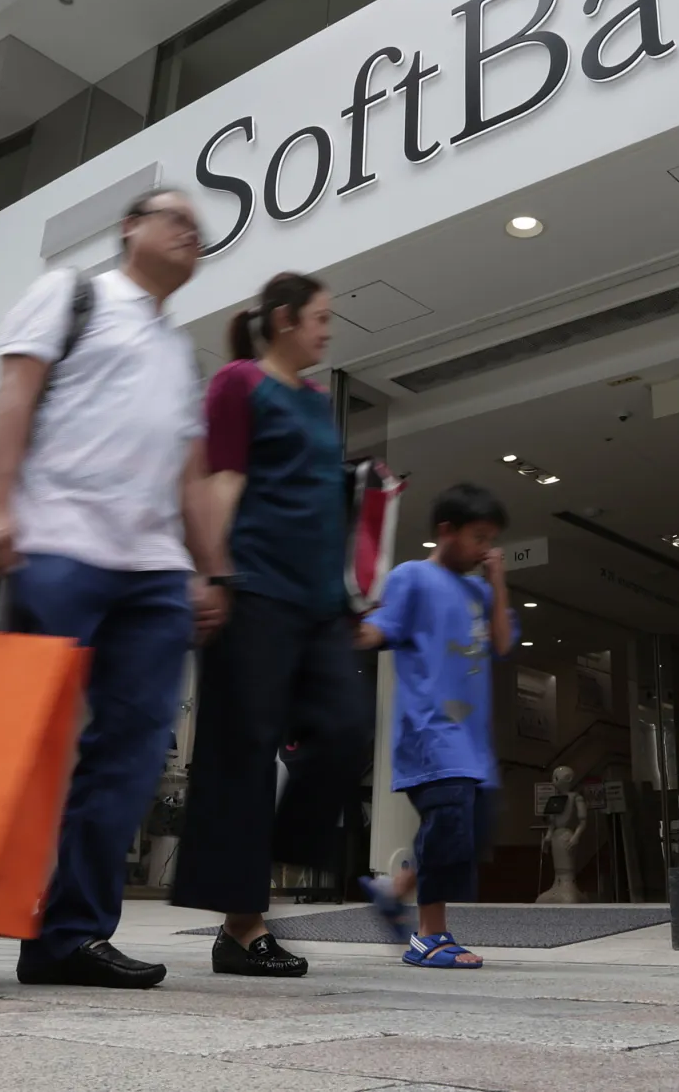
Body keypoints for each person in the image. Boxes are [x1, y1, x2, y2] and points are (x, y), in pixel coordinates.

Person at [0, 188, 227, 988]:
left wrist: (210, 569)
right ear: (131, 225)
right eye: (175, 218)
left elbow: (192, 472)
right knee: (9, 737)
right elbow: (15, 395)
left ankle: (70, 935)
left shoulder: (181, 354)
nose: (189, 234)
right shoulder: (73, 294)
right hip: (60, 545)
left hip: (153, 574)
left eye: (199, 231)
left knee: (130, 756)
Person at [169, 272, 376, 977]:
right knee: (244, 757)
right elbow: (222, 480)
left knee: (346, 725)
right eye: (320, 317)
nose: (328, 329)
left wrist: (349, 594)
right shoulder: (237, 383)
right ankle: (243, 925)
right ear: (284, 320)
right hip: (253, 589)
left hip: (319, 603)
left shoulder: (318, 401)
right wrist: (209, 571)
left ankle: (276, 848)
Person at [354, 485, 513, 969]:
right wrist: (342, 625)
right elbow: (380, 628)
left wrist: (498, 578)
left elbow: (503, 643)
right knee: (448, 824)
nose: (485, 548)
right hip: (430, 730)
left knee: (469, 832)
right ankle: (429, 936)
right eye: (478, 537)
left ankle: (395, 888)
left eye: (492, 539)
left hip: (472, 743)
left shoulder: (480, 589)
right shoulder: (412, 577)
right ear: (446, 531)